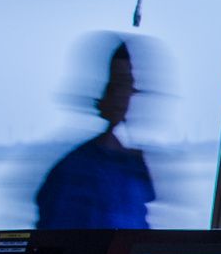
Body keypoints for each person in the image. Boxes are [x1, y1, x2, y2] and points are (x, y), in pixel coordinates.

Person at [35, 39, 155, 229]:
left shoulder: (132, 167)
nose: (123, 95)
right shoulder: (73, 172)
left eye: (127, 85)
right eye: (117, 85)